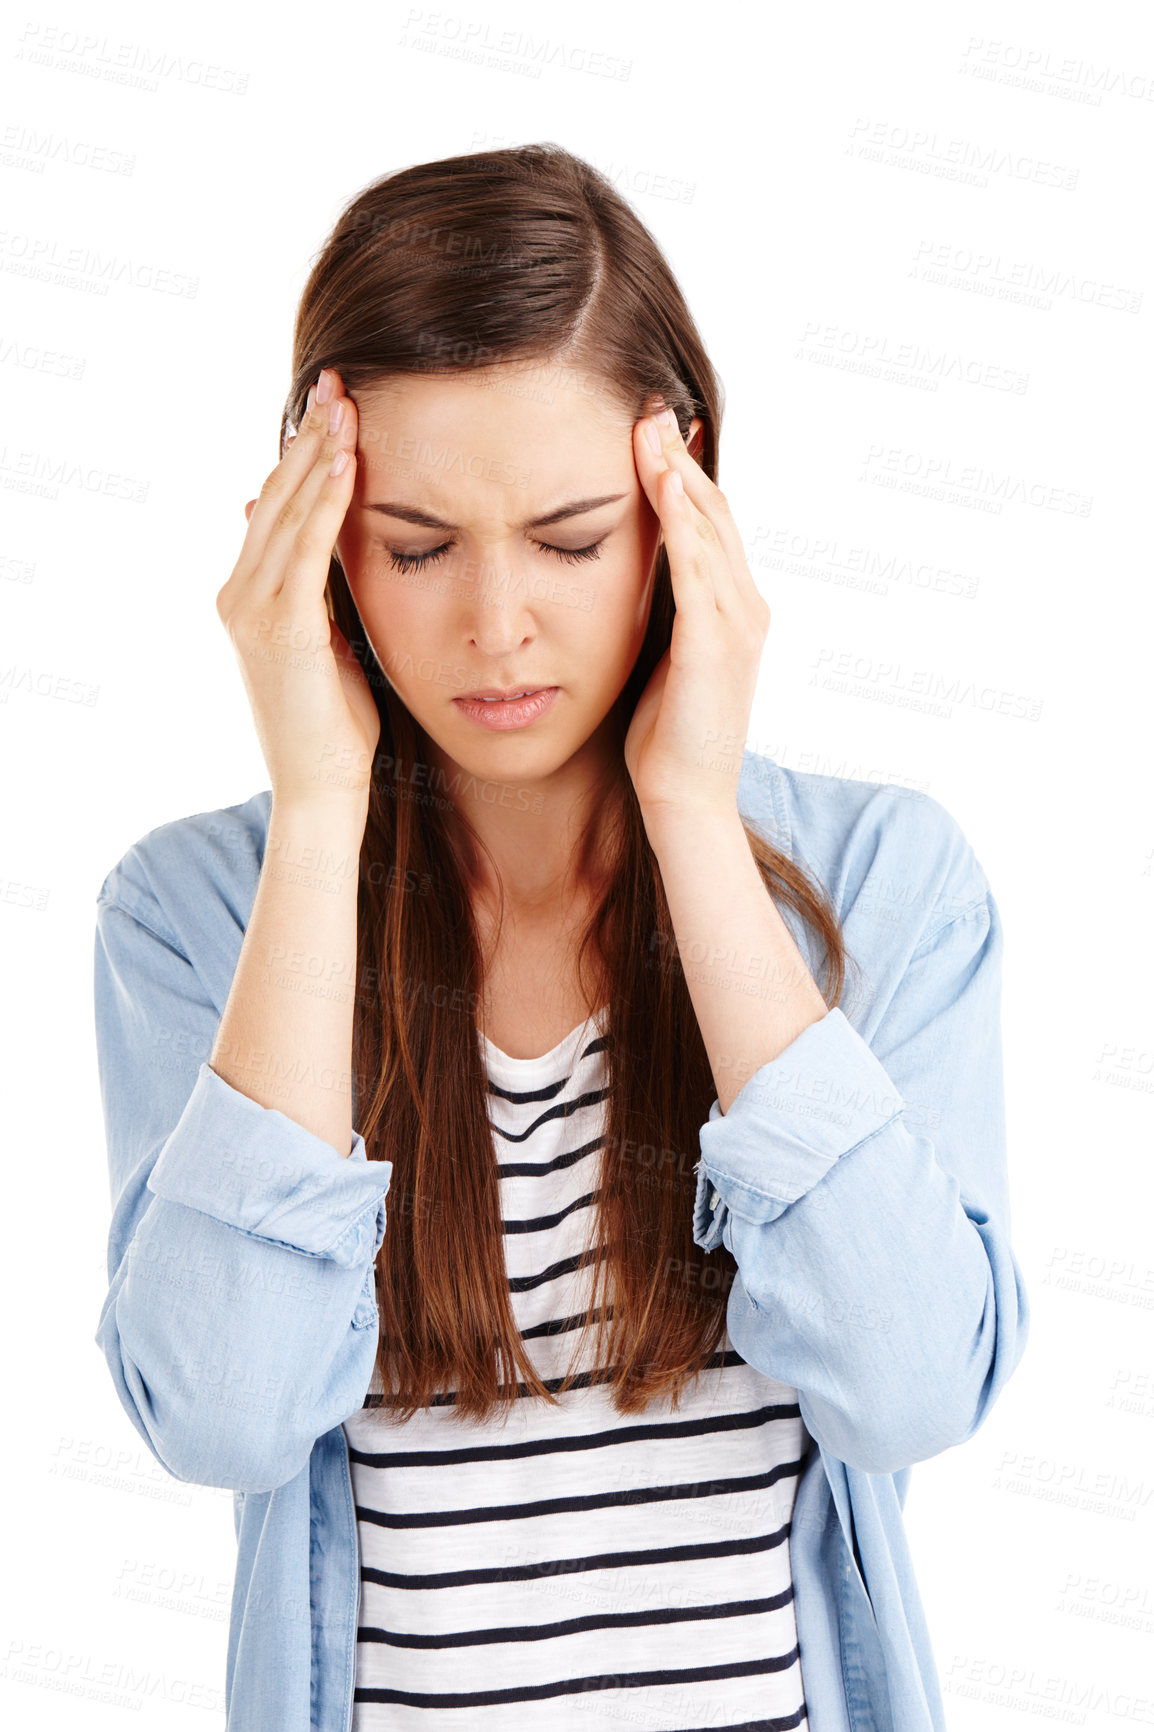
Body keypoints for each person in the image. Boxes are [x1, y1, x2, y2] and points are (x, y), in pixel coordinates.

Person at [92, 144, 1031, 1732]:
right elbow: (227, 1420)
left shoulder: (884, 879)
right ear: (315, 537)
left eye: (572, 538)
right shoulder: (192, 916)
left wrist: (691, 817)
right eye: (415, 546)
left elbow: (910, 1388)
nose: (496, 625)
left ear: (684, 502)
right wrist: (316, 814)